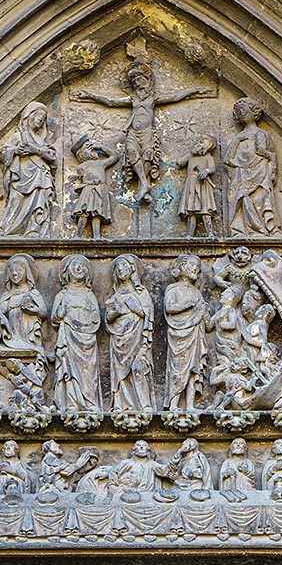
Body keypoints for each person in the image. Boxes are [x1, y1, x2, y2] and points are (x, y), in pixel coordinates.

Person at [73, 61, 210, 203]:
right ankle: (144, 184)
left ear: (147, 80)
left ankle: (143, 186)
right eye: (135, 82)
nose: (138, 84)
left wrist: (194, 91)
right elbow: (110, 102)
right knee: (132, 154)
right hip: (132, 133)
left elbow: (175, 97)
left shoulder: (153, 98)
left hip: (147, 133)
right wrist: (89, 95)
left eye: (140, 80)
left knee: (147, 156)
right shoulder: (133, 99)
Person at [0, 102, 57, 236]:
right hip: (22, 175)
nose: (41, 119)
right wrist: (16, 150)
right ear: (28, 116)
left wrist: (36, 150)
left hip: (41, 175)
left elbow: (53, 159)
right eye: (38, 115)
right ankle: (7, 229)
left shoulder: (43, 141)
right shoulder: (18, 137)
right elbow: (3, 153)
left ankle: (34, 229)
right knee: (16, 200)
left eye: (43, 118)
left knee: (40, 203)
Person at [51, 255, 102, 412]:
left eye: (82, 266)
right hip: (68, 336)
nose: (79, 268)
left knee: (88, 370)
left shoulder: (89, 295)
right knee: (68, 370)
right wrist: (59, 314)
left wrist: (89, 319)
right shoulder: (62, 295)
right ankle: (71, 403)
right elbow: (53, 318)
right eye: (75, 265)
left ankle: (90, 402)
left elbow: (97, 318)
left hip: (87, 339)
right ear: (67, 272)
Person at [105, 255, 154, 410]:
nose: (121, 270)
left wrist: (137, 310)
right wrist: (115, 313)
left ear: (133, 269)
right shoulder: (115, 296)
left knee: (138, 367)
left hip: (138, 337)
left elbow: (149, 315)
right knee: (120, 372)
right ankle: (122, 405)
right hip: (119, 339)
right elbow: (108, 319)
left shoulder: (141, 293)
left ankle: (144, 405)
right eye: (118, 267)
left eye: (125, 266)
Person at [224, 97, 277, 235]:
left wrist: (273, 168)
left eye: (244, 110)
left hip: (260, 171)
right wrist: (238, 141)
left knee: (260, 198)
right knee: (242, 198)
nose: (242, 113)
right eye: (238, 111)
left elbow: (268, 152)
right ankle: (240, 229)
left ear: (254, 111)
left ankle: (265, 229)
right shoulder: (238, 137)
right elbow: (228, 159)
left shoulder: (262, 134)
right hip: (241, 174)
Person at [164, 254, 208, 410]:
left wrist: (204, 313)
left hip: (195, 332)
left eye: (197, 267)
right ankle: (173, 404)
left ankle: (190, 405)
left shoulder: (197, 292)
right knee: (178, 368)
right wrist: (187, 304)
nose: (194, 269)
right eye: (191, 266)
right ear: (181, 268)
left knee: (194, 370)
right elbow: (169, 308)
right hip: (179, 334)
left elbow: (205, 320)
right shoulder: (173, 289)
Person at [68, 135, 121, 238]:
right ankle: (78, 235)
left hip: (100, 189)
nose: (92, 149)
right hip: (88, 189)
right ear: (82, 153)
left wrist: (100, 147)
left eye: (91, 146)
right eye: (88, 147)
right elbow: (82, 178)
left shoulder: (100, 163)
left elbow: (114, 156)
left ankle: (97, 236)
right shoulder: (82, 167)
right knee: (83, 211)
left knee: (97, 213)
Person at [172, 135, 219, 236]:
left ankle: (210, 234)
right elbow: (180, 163)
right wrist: (189, 153)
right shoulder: (191, 156)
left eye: (203, 142)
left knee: (205, 209)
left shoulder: (208, 157)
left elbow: (212, 168)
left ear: (209, 146)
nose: (199, 143)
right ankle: (189, 235)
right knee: (191, 210)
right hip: (191, 183)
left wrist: (206, 171)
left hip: (203, 184)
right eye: (199, 141)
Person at [0, 254, 45, 350]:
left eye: (19, 270)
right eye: (11, 271)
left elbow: (44, 313)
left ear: (26, 272)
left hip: (28, 329)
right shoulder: (7, 294)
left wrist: (35, 311)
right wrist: (5, 307)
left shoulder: (33, 293)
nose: (15, 274)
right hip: (11, 332)